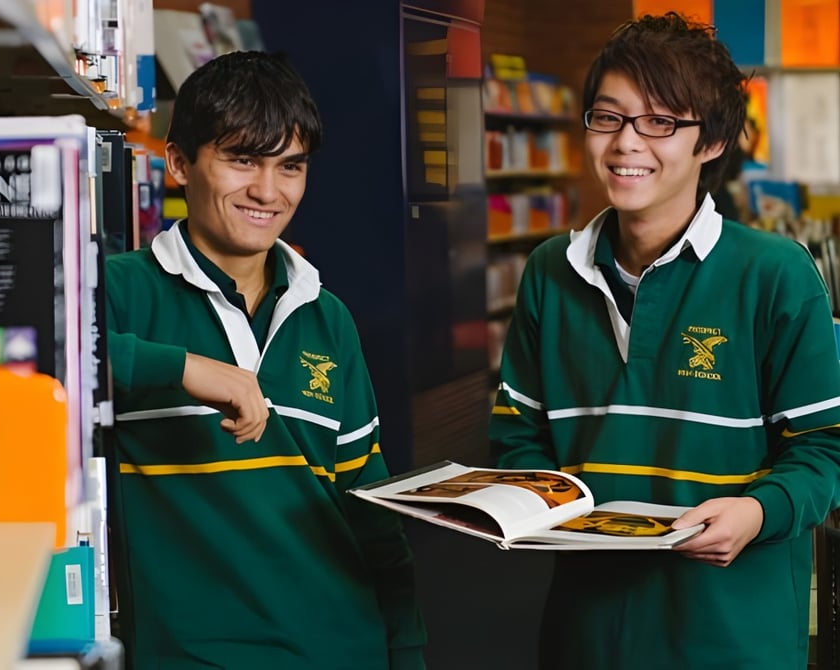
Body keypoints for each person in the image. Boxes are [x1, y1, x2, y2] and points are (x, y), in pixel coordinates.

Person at [489, 12, 840, 670]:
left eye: (659, 121)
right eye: (608, 117)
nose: (627, 142)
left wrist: (758, 512)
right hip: (588, 633)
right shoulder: (548, 272)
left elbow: (825, 450)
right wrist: (530, 501)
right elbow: (518, 433)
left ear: (712, 141)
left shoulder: (776, 275)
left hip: (733, 636)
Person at [104, 50, 427, 669]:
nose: (268, 191)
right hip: (192, 657)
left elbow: (369, 509)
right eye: (242, 159)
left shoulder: (326, 315)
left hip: (342, 650)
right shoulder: (119, 290)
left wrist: (406, 648)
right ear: (179, 163)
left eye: (290, 166)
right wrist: (184, 368)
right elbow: (19, 359)